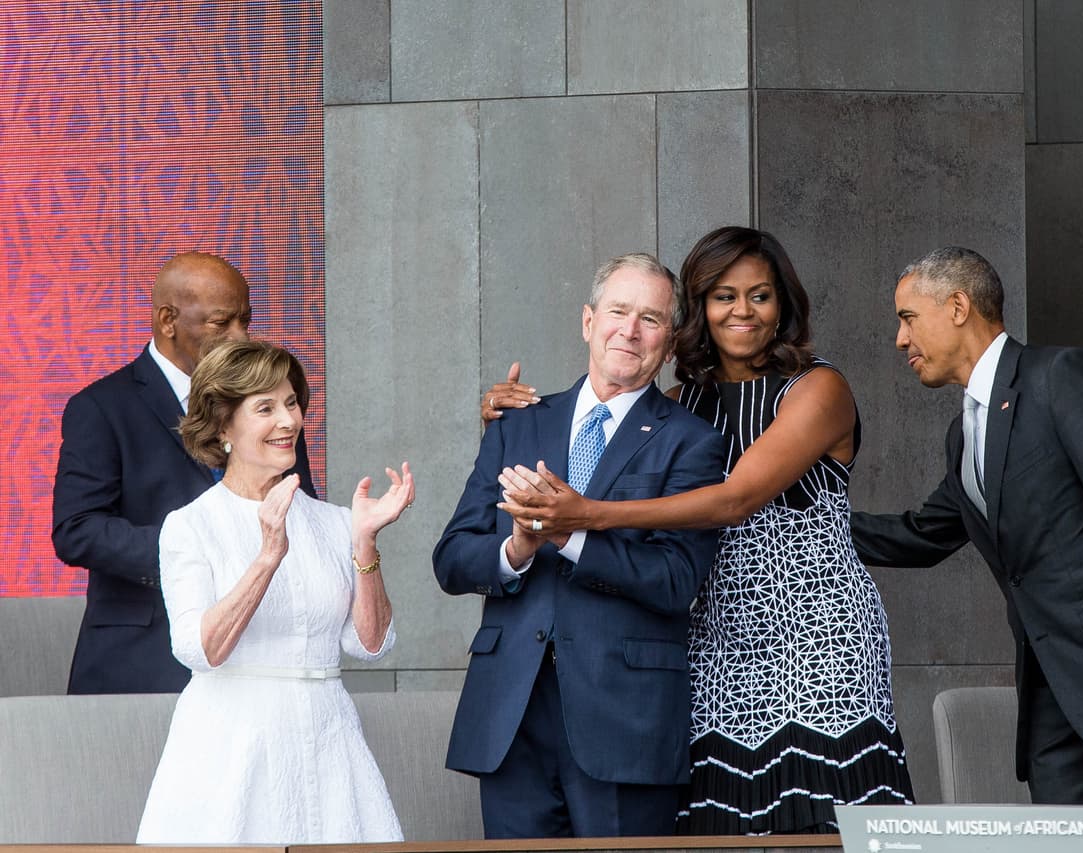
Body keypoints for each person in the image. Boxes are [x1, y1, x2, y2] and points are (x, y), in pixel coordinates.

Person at [489, 227, 914, 834]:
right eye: (723, 295)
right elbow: (604, 422)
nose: (742, 310)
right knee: (725, 816)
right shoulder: (684, 399)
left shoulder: (819, 387)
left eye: (760, 296)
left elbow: (734, 498)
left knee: (820, 818)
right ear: (698, 309)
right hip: (714, 631)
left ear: (783, 305)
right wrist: (515, 419)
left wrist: (587, 515)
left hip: (817, 634)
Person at [846, 246, 1083, 804]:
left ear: (957, 306)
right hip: (1052, 701)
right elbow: (922, 534)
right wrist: (796, 523)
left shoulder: (1061, 377)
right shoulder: (964, 434)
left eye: (907, 318)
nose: (901, 340)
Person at [433, 253, 727, 839]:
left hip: (625, 717)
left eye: (651, 318)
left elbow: (676, 582)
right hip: (510, 713)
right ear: (588, 321)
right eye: (618, 310)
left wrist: (568, 536)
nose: (630, 329)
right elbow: (452, 558)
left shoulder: (692, 443)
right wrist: (515, 548)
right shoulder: (518, 424)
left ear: (669, 344)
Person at [135, 340, 409, 844]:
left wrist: (365, 542)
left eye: (291, 403)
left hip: (329, 737)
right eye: (265, 408)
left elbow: (369, 645)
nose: (288, 421)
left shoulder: (333, 522)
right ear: (223, 428)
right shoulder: (191, 526)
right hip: (231, 745)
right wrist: (267, 555)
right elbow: (201, 649)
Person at [53, 251, 314, 694]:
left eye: (245, 321)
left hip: (262, 656)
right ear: (167, 320)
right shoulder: (101, 408)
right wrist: (192, 549)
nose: (239, 336)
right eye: (221, 323)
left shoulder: (273, 410)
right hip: (143, 660)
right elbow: (77, 530)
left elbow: (300, 508)